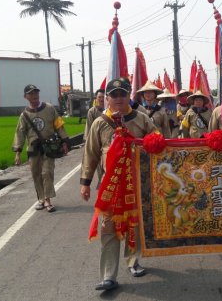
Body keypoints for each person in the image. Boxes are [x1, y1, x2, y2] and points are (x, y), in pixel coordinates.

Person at [80, 78, 158, 292]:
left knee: (135, 225)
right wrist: (85, 183)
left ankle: (133, 262)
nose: (118, 98)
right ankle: (108, 276)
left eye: (123, 93)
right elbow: (91, 154)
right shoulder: (100, 123)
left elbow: (158, 141)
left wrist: (153, 142)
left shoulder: (141, 119)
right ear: (107, 98)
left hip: (136, 184)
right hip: (110, 186)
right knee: (108, 230)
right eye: (113, 94)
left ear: (129, 96)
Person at [12, 84, 69, 213]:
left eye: (36, 92)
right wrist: (17, 153)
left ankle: (48, 200)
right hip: (33, 149)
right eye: (31, 93)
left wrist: (65, 141)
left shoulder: (49, 109)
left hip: (49, 148)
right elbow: (20, 133)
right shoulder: (24, 115)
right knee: (36, 174)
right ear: (25, 97)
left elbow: (59, 125)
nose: (34, 95)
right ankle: (41, 199)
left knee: (47, 172)